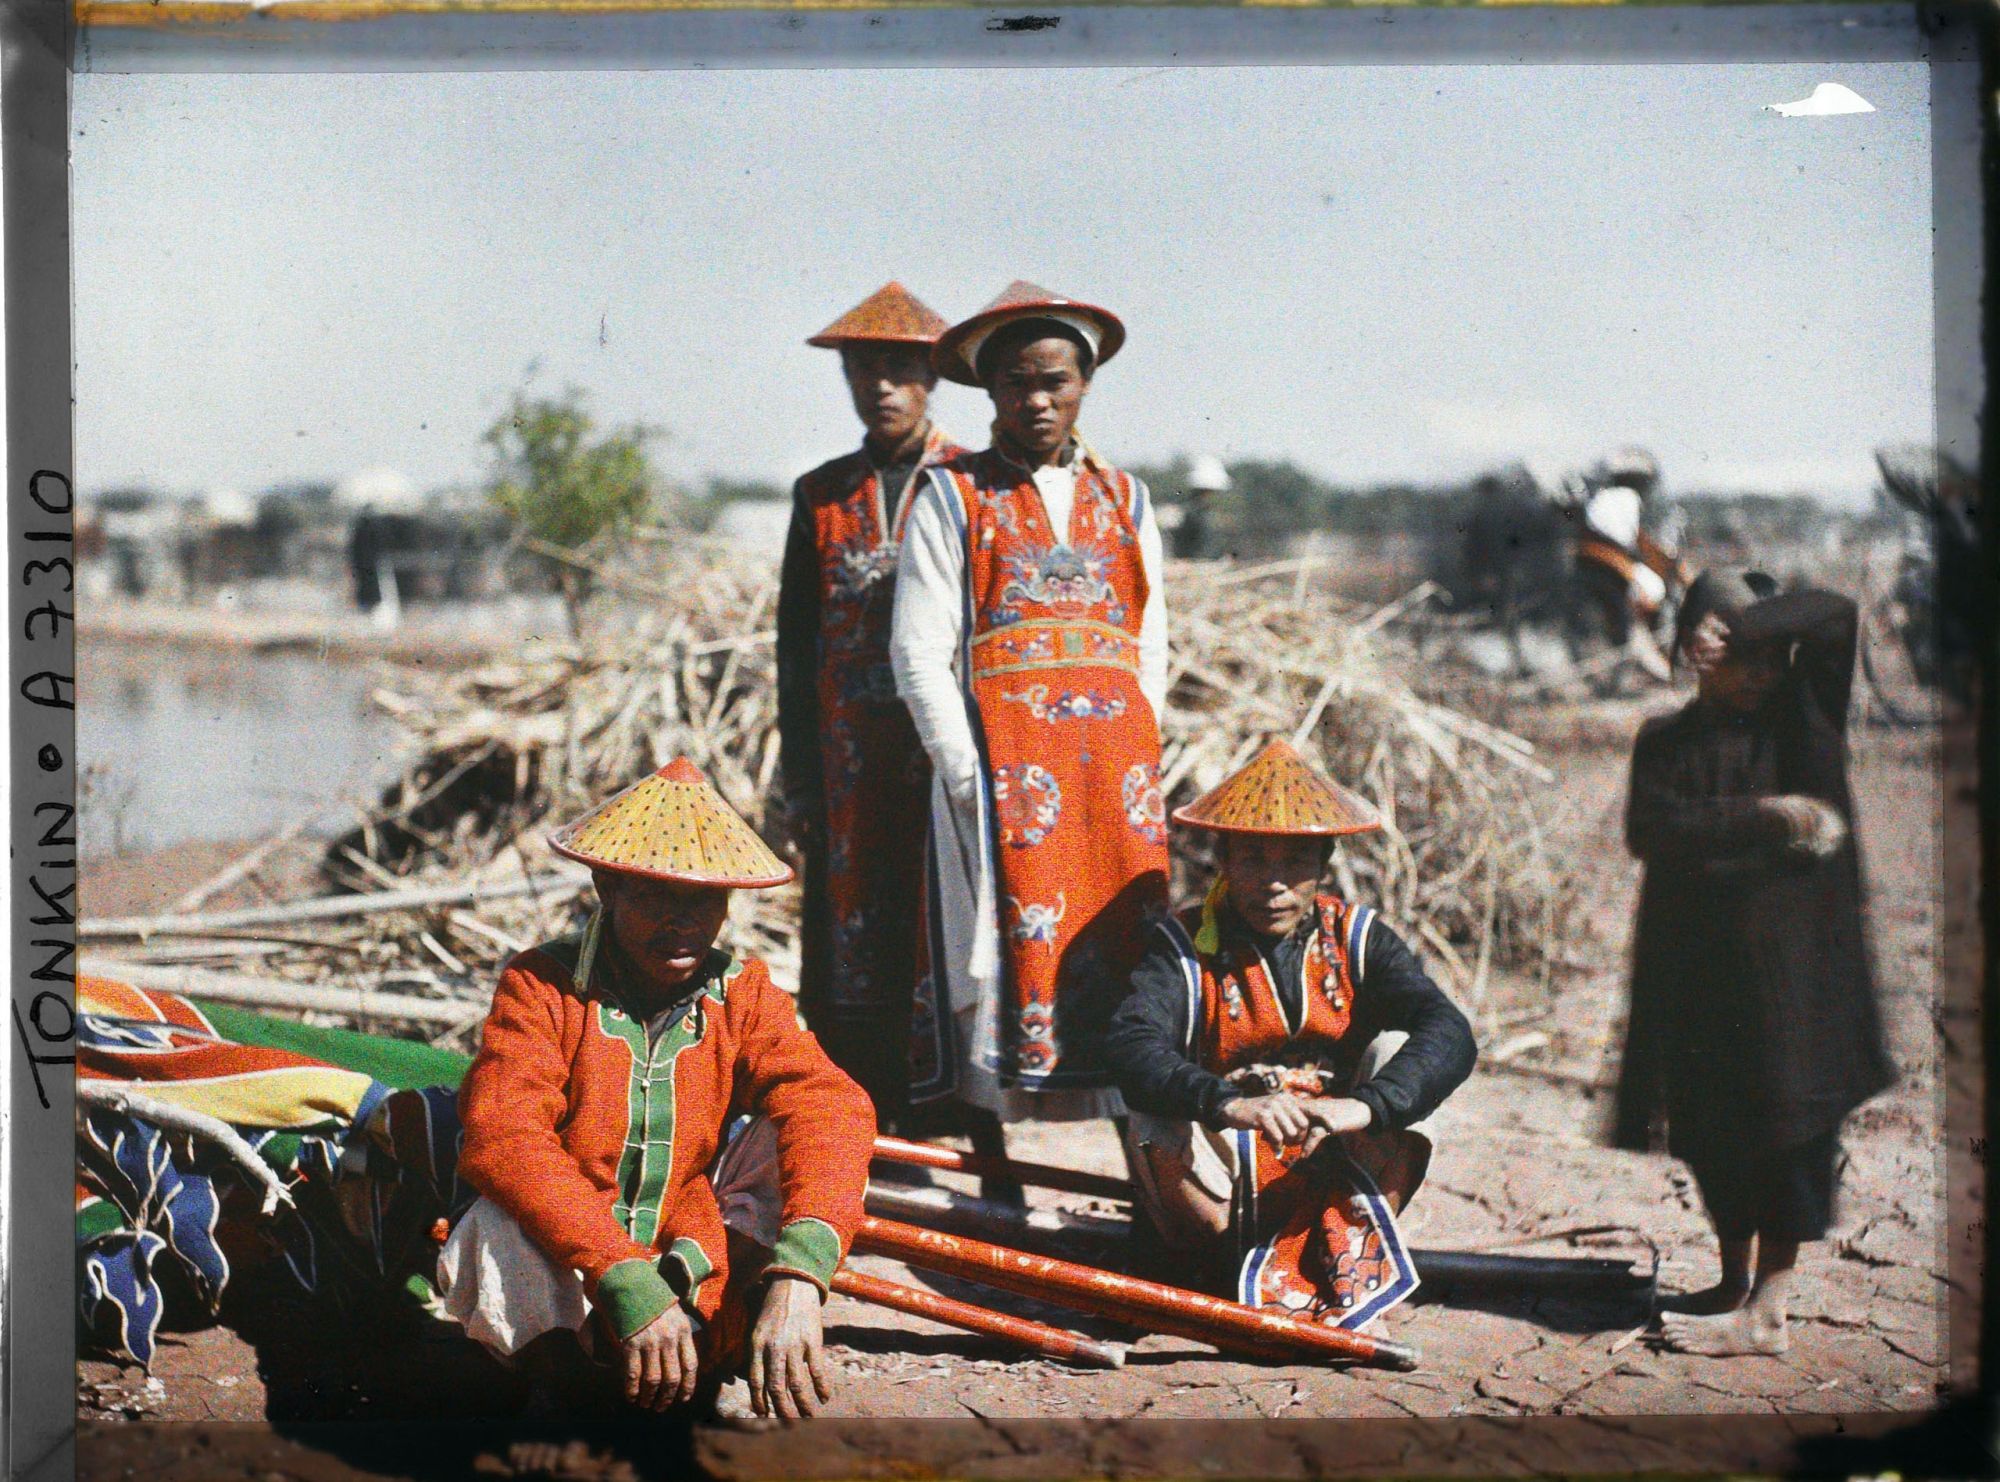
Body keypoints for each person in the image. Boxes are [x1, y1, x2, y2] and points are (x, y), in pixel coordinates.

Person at [439, 758, 876, 1418]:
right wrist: (619, 1271)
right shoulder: (540, 985)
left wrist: (801, 1274)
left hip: (682, 1233)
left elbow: (829, 1101)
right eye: (655, 896)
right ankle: (558, 1380)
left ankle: (719, 1328)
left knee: (817, 1133)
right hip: (570, 1251)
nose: (683, 922)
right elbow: (504, 1136)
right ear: (605, 886)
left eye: (703, 899)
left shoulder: (743, 995)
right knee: (498, 1216)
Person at [891, 280, 1170, 1132]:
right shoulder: (954, 494)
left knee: (1127, 942)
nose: (1038, 399)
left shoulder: (1126, 497)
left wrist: (1143, 748)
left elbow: (1149, 637)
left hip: (1116, 776)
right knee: (1005, 952)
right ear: (990, 392)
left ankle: (1148, 1146)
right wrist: (967, 771)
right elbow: (917, 650)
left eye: (1055, 380)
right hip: (1003, 769)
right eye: (1017, 383)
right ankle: (989, 1164)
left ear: (1085, 383)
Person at [1613, 571, 1894, 1357]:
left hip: (1795, 981)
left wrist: (1744, 620)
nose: (1756, 674)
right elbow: (1652, 830)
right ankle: (1732, 1283)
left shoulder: (1802, 723)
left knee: (1789, 1130)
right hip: (1698, 976)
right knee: (1708, 1128)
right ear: (1693, 651)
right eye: (1734, 654)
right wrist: (1765, 815)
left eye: (1769, 654)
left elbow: (1836, 611)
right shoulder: (1665, 739)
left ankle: (1768, 1311)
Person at [1102, 739, 1477, 1326]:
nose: (1273, 884)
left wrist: (1365, 1106)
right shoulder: (1182, 945)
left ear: (1324, 865)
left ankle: (1337, 1248)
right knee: (1148, 1111)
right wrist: (1229, 1103)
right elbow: (1129, 1044)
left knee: (1404, 1054)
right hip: (1225, 1161)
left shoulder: (1357, 937)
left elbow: (1449, 1030)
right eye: (1253, 860)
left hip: (1335, 1154)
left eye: (1294, 863)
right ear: (1223, 860)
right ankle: (1216, 1261)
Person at [776, 282, 967, 1119]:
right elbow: (795, 646)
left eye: (899, 370)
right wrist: (801, 778)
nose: (881, 387)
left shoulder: (970, 482)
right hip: (848, 756)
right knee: (848, 929)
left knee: (941, 911)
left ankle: (949, 1102)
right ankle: (853, 1108)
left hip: (937, 744)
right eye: (864, 371)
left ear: (932, 376)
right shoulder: (821, 495)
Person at [1570, 446, 1689, 682]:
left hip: (1590, 561)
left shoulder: (1602, 498)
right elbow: (1636, 541)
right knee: (1653, 593)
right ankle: (1652, 654)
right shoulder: (1629, 500)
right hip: (1609, 562)